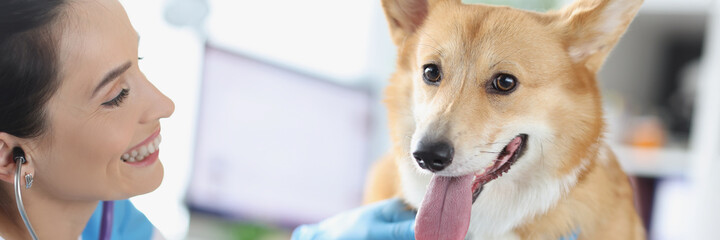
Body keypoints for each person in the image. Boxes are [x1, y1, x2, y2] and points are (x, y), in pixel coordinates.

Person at [0, 0, 415, 239]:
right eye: (117, 95)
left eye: (139, 63)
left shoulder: (107, 219)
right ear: (8, 156)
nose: (165, 104)